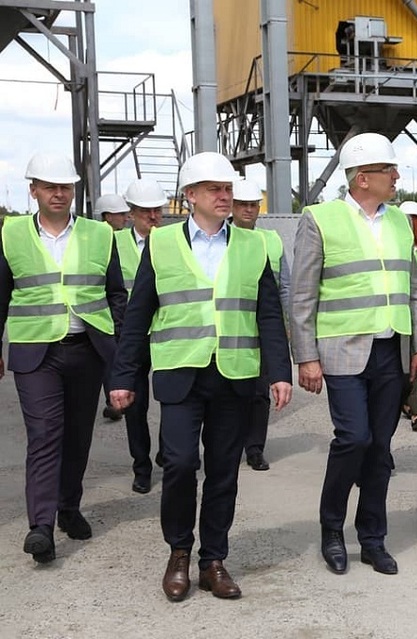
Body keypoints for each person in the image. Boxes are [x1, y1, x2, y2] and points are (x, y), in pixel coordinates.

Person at [110, 151, 293, 602]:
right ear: (190, 195)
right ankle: (179, 552)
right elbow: (138, 314)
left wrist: (279, 371)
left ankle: (212, 561)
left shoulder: (253, 245)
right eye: (214, 189)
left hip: (234, 374)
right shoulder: (162, 244)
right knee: (179, 463)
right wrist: (123, 376)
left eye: (228, 188)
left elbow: (268, 314)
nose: (224, 196)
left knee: (224, 471)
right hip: (180, 372)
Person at [290, 133, 417, 577]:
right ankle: (332, 530)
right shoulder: (319, 219)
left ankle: (372, 539)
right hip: (343, 351)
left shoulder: (399, 222)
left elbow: (413, 291)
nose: (396, 176)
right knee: (354, 439)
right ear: (363, 178)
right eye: (389, 169)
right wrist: (306, 356)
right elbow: (303, 293)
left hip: (391, 350)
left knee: (380, 449)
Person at [0, 152, 126, 564]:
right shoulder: (11, 235)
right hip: (36, 353)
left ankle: (68, 507)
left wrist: (117, 348)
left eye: (65, 187)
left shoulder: (99, 234)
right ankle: (41, 526)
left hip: (87, 350)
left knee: (77, 435)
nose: (59, 193)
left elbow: (115, 294)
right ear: (33, 190)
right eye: (50, 186)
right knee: (44, 435)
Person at [231, 178, 291, 471]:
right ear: (232, 207)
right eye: (242, 204)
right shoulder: (221, 239)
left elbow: (284, 287)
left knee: (259, 391)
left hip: (263, 328)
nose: (248, 210)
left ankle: (255, 448)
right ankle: (229, 443)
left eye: (253, 205)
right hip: (232, 326)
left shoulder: (272, 241)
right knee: (230, 392)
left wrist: (286, 324)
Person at [117, 178, 166, 493]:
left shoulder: (173, 242)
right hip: (132, 335)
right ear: (131, 213)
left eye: (157, 210)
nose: (153, 216)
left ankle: (167, 452)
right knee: (135, 406)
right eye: (145, 210)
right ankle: (141, 466)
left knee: (173, 397)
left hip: (166, 331)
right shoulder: (114, 244)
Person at [95, 193, 131, 421]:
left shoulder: (119, 239)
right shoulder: (102, 241)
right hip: (102, 314)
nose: (126, 218)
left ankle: (113, 402)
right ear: (107, 216)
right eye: (121, 214)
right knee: (109, 358)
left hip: (116, 311)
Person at [398, 200, 417, 432]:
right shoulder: (409, 251)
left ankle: (413, 409)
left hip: (414, 318)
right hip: (404, 317)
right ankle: (410, 407)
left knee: (412, 366)